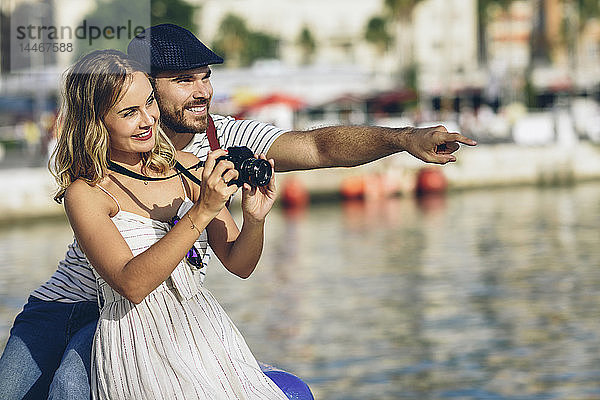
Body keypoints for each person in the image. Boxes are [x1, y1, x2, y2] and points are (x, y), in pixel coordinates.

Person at [0, 24, 476, 400]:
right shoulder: (104, 164)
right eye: (183, 80)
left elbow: (315, 145)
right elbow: (125, 272)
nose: (201, 91)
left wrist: (404, 140)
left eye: (205, 76)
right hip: (75, 304)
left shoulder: (215, 144)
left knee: (71, 387)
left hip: (148, 316)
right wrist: (202, 210)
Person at [70, 49, 287, 399]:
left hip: (207, 332)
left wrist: (254, 219)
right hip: (139, 345)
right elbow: (131, 284)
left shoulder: (186, 166)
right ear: (96, 122)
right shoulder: (86, 194)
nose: (148, 120)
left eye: (150, 104)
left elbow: (240, 264)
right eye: (129, 112)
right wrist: (202, 210)